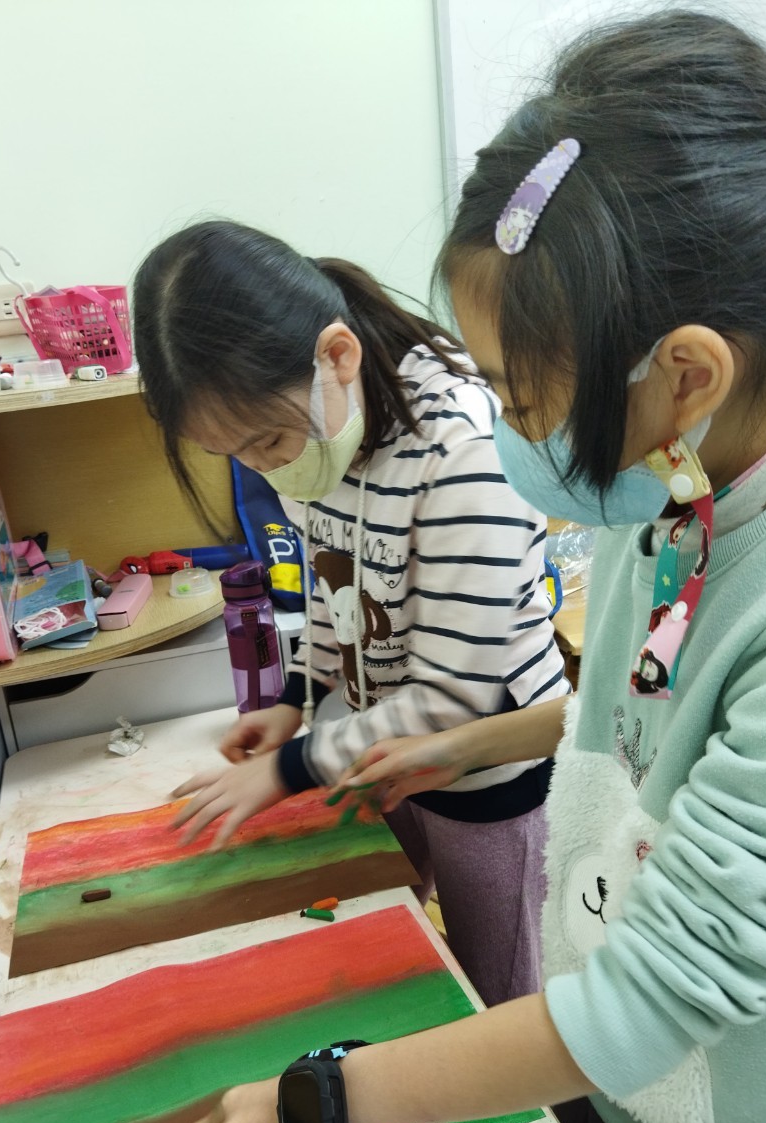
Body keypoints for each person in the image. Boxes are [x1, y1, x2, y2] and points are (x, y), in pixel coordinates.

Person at [170, 13, 766, 1123]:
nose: (511, 430)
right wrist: (484, 740)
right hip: (621, 1091)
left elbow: (653, 999)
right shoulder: (673, 483)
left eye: (521, 396)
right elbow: (652, 711)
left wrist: (327, 1099)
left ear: (686, 374)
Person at [133, 220, 569, 1005]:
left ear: (338, 355)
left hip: (484, 774)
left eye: (268, 440)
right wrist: (294, 698)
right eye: (233, 453)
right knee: (386, 957)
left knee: (496, 992)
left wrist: (288, 770)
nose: (263, 467)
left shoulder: (465, 447)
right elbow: (335, 595)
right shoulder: (324, 433)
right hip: (376, 748)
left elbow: (453, 698)